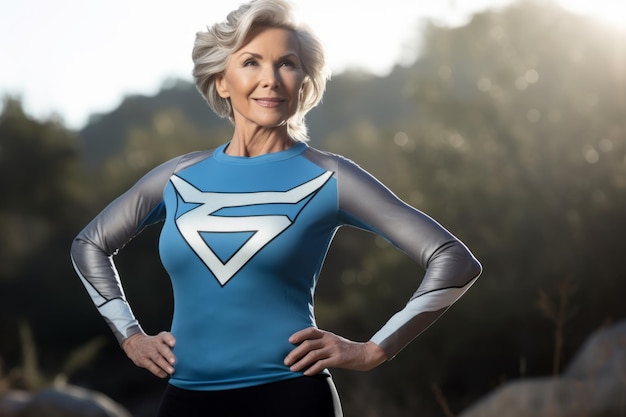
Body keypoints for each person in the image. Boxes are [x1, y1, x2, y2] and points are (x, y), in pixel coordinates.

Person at [70, 0, 482, 416]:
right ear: (222, 81)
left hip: (290, 398)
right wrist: (131, 337)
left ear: (304, 81)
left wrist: (373, 350)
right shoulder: (176, 178)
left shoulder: (331, 177)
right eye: (251, 62)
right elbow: (89, 244)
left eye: (287, 63)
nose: (271, 79)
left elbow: (454, 260)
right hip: (186, 401)